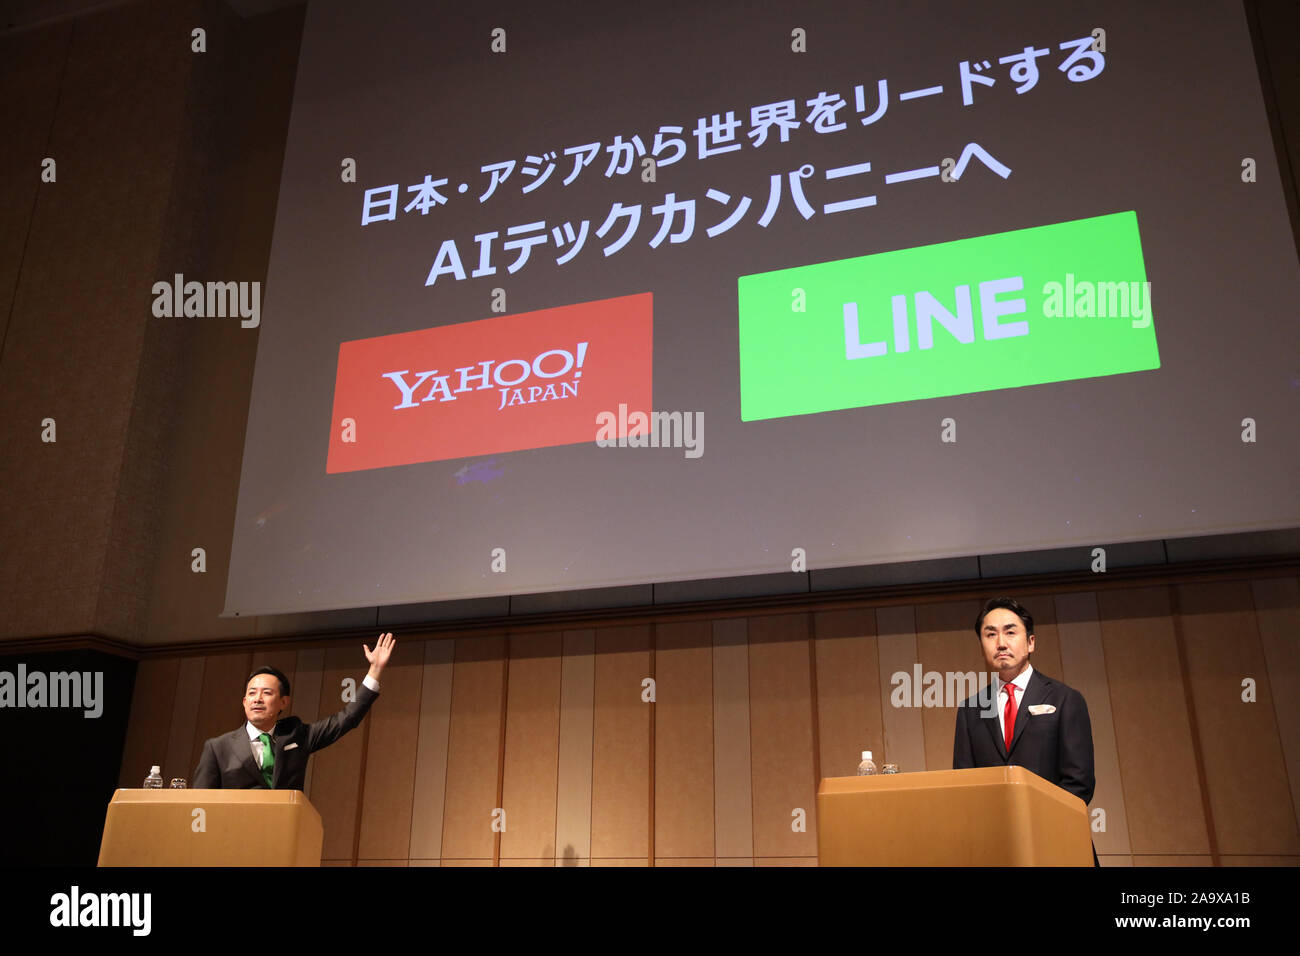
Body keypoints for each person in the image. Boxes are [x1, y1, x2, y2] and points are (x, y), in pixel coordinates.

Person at [952, 597, 1097, 861]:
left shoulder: (1065, 699)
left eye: (1010, 632)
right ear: (981, 645)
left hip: (1057, 844)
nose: (1001, 643)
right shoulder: (969, 710)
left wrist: (1030, 826)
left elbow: (1079, 783)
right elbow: (965, 787)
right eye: (990, 634)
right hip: (995, 851)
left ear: (1031, 642)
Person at [192, 632, 396, 789]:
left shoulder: (297, 736)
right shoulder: (218, 748)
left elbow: (347, 718)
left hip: (286, 837)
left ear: (283, 702)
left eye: (267, 693)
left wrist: (375, 670)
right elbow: (199, 802)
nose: (258, 699)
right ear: (244, 701)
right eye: (252, 693)